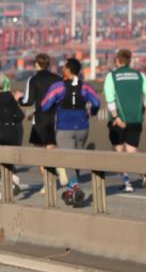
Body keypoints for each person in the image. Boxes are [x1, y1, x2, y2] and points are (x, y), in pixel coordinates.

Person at [41, 58, 101, 207]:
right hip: (83, 127)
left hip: (64, 128)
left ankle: (75, 188)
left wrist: (54, 105)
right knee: (76, 160)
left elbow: (44, 105)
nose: (63, 70)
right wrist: (91, 112)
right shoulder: (85, 87)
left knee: (67, 160)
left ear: (68, 71)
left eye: (64, 68)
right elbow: (97, 103)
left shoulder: (58, 87)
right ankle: (70, 193)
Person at [104, 48, 146, 192]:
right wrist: (143, 107)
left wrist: (115, 117)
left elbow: (110, 98)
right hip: (136, 119)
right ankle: (145, 172)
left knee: (119, 151)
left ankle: (127, 183)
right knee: (132, 150)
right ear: (129, 61)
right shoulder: (139, 75)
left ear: (118, 61)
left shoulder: (112, 76)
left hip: (118, 120)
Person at [20, 53, 60, 150]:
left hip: (39, 118)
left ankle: (42, 166)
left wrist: (19, 99)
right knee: (51, 147)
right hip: (55, 118)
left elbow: (28, 101)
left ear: (37, 64)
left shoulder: (33, 80)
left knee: (39, 151)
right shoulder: (58, 79)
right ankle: (50, 165)